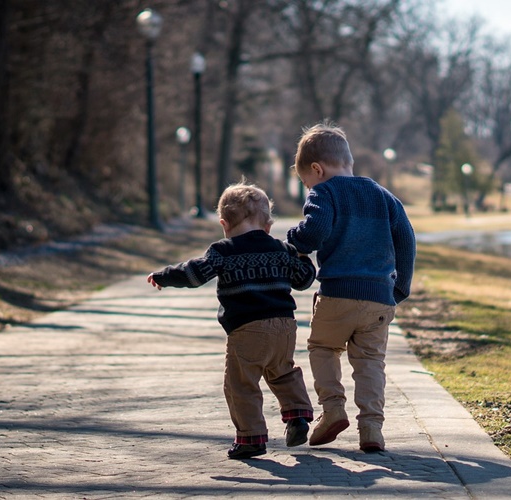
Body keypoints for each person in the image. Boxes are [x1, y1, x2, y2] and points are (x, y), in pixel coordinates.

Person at [147, 180, 316, 459]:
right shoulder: (280, 249)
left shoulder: (223, 251)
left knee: (241, 384)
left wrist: (165, 276)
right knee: (283, 372)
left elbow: (194, 274)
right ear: (268, 225)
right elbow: (303, 280)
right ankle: (297, 416)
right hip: (285, 327)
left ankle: (251, 438)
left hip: (247, 329)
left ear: (224, 224)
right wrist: (302, 255)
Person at [286, 122, 416, 452]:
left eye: (306, 182)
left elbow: (313, 233)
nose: (308, 187)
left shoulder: (324, 192)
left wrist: (293, 239)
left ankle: (332, 410)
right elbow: (406, 239)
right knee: (371, 362)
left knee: (322, 348)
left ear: (317, 169)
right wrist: (400, 287)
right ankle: (371, 428)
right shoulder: (382, 195)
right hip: (379, 298)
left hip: (338, 294)